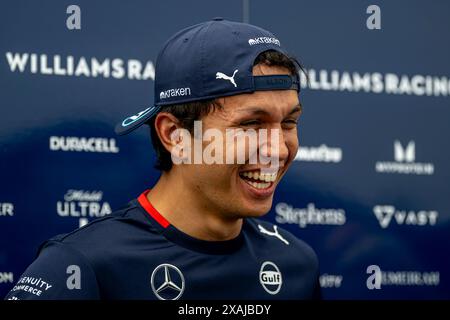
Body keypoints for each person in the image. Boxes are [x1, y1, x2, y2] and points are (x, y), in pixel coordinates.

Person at [5, 18, 321, 300]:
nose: (278, 149)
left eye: (289, 123)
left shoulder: (296, 263)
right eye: (251, 125)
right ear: (174, 135)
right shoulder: (80, 267)